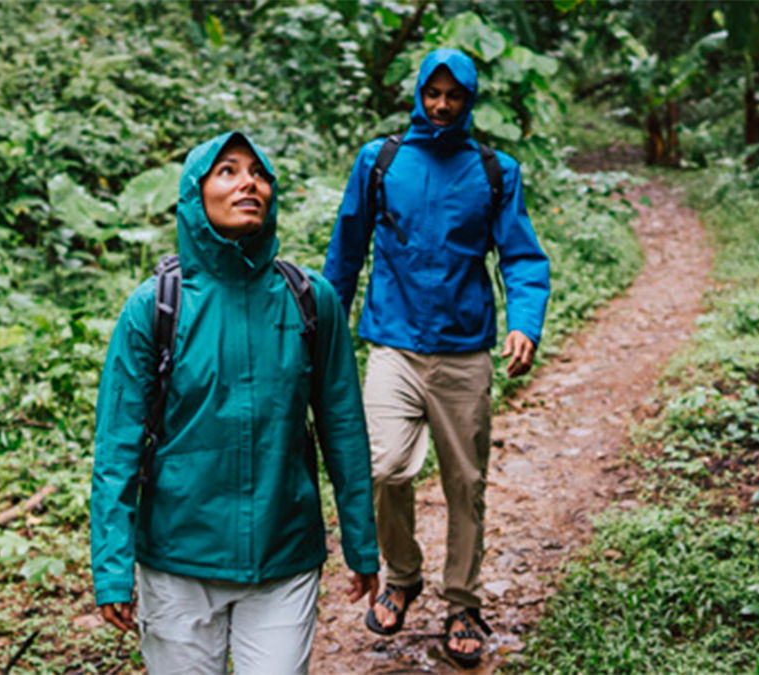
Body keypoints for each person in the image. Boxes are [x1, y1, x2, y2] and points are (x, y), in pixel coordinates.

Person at [90, 131, 380, 674]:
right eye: (227, 170)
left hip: (283, 557)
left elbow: (344, 428)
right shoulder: (155, 308)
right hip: (178, 560)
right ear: (194, 195)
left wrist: (362, 544)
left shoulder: (309, 299)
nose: (249, 182)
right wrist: (111, 570)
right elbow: (118, 448)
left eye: (258, 172)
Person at [323, 48, 551, 668]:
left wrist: (524, 324)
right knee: (384, 467)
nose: (442, 105)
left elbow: (522, 258)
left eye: (453, 96)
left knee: (465, 483)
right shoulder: (382, 161)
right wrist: (326, 324)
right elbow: (346, 248)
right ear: (419, 94)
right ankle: (403, 575)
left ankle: (462, 602)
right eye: (433, 94)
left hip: (464, 352)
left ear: (469, 99)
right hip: (393, 344)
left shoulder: (495, 170)